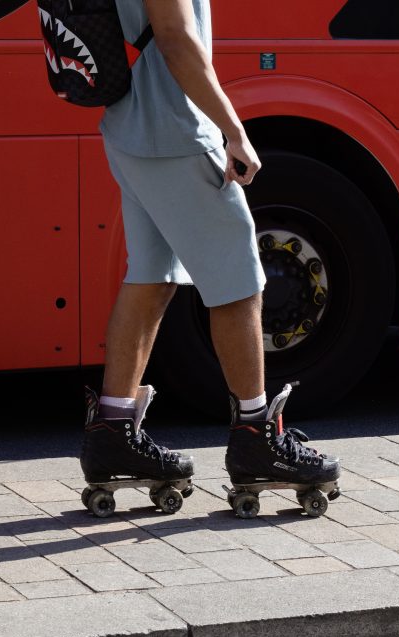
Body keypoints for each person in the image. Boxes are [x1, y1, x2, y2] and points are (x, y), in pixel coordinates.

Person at [79, 0, 340, 517]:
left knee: (151, 276)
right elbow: (175, 37)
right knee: (239, 277)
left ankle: (112, 430)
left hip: (132, 123)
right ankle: (256, 435)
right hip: (175, 129)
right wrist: (233, 129)